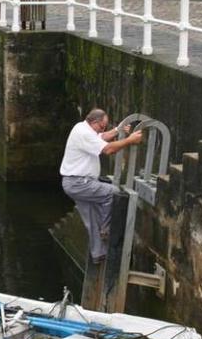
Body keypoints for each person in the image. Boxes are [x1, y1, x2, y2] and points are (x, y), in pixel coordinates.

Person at [60, 109, 142, 263]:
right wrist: (130, 140)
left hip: (75, 182)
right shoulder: (83, 133)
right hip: (79, 183)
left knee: (91, 220)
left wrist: (117, 130)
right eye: (102, 126)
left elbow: (101, 137)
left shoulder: (82, 128)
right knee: (113, 192)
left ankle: (98, 254)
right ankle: (106, 230)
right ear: (94, 122)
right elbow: (108, 149)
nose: (103, 129)